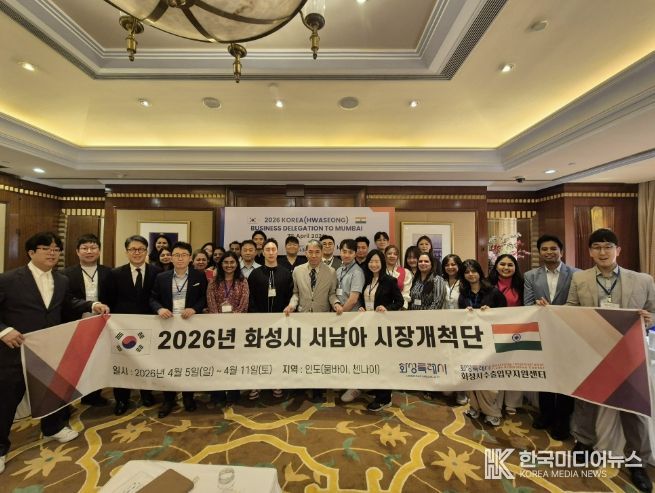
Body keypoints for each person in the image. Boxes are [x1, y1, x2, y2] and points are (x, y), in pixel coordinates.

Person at [0, 232, 109, 474]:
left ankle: (52, 428)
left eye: (56, 249)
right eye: (46, 248)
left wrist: (91, 305)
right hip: (15, 349)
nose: (52, 253)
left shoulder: (61, 280)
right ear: (31, 252)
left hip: (49, 348)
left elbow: (68, 303)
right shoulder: (8, 279)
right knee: (6, 399)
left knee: (51, 391)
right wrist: (3, 330)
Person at [567, 228, 655, 493]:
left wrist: (649, 319)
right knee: (586, 398)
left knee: (633, 406)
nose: (602, 252)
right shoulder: (580, 278)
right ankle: (584, 442)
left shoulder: (643, 280)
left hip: (629, 353)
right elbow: (571, 308)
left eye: (608, 247)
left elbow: (653, 311)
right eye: (597, 247)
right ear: (590, 252)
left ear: (618, 250)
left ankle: (637, 461)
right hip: (592, 349)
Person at [524, 234, 577, 440]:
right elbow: (527, 304)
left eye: (553, 248)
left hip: (568, 333)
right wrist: (537, 306)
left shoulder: (577, 274)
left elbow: (579, 304)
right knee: (544, 373)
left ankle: (563, 419)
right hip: (543, 331)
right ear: (539, 252)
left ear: (561, 251)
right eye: (544, 249)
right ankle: (546, 414)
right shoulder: (531, 276)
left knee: (566, 376)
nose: (549, 252)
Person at [150, 242, 208, 418]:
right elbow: (152, 298)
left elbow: (204, 298)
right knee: (169, 363)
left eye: (184, 255)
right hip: (168, 326)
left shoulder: (199, 276)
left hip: (190, 326)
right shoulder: (162, 277)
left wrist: (195, 309)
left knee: (188, 362)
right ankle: (169, 399)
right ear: (171, 258)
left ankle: (188, 397)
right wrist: (159, 308)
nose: (180, 258)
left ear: (190, 258)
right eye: (176, 255)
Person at [110, 235, 162, 415]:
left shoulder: (157, 272)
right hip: (122, 328)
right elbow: (110, 300)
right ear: (126, 252)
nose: (137, 252)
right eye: (133, 249)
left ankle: (146, 394)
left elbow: (158, 297)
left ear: (147, 251)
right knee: (122, 363)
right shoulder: (115, 274)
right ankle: (121, 399)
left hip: (150, 325)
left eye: (141, 249)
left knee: (147, 361)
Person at [284, 239, 338, 403]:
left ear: (322, 253)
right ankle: (300, 386)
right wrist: (291, 305)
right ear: (305, 253)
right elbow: (295, 293)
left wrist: (336, 304)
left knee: (319, 355)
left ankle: (318, 390)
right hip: (303, 317)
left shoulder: (331, 272)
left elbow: (332, 294)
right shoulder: (297, 271)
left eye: (317, 252)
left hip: (322, 318)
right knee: (302, 353)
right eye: (310, 252)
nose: (314, 255)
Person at [62, 233, 113, 407]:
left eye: (93, 248)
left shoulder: (109, 272)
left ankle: (93, 395)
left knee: (97, 360)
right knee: (74, 363)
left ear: (99, 250)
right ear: (77, 251)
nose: (89, 251)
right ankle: (67, 400)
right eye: (85, 248)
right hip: (76, 323)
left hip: (102, 324)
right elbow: (66, 300)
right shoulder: (65, 274)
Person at [458, 259, 506, 426]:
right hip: (471, 340)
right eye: (467, 272)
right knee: (472, 374)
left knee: (488, 378)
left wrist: (492, 313)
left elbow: (505, 314)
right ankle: (475, 406)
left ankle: (492, 412)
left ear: (480, 272)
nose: (471, 275)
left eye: (474, 271)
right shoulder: (463, 294)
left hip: (490, 341)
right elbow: (459, 317)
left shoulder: (493, 292)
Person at [248, 238, 293, 399]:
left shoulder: (286, 274)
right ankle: (257, 384)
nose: (271, 252)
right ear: (263, 252)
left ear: (277, 251)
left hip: (280, 321)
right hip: (259, 321)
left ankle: (277, 382)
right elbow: (250, 297)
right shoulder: (255, 274)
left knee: (278, 354)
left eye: (273, 249)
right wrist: (256, 315)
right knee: (258, 354)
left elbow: (290, 296)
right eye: (268, 249)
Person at [359, 249, 403, 411]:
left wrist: (387, 308)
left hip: (383, 328)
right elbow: (365, 299)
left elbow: (399, 302)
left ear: (382, 263)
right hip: (368, 326)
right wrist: (362, 308)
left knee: (383, 361)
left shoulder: (390, 281)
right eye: (371, 261)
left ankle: (384, 398)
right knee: (372, 359)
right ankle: (377, 388)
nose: (374, 264)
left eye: (377, 261)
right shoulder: (366, 280)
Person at [207, 251, 249, 407]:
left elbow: (244, 303)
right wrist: (219, 321)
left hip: (236, 329)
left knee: (234, 361)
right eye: (226, 262)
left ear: (237, 264)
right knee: (217, 362)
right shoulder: (213, 282)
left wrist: (232, 320)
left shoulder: (242, 281)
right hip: (217, 328)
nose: (229, 265)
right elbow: (211, 302)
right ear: (221, 264)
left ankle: (233, 394)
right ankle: (217, 395)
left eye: (232, 262)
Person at [489, 253, 524, 415]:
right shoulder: (488, 283)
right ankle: (495, 400)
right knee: (496, 367)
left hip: (517, 330)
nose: (506, 268)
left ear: (515, 268)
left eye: (510, 265)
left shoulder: (522, 284)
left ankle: (512, 402)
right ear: (496, 266)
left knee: (515, 366)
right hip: (493, 330)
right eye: (502, 264)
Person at [337, 239, 366, 403]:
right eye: (344, 251)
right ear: (340, 252)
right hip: (341, 316)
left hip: (352, 318)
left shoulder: (357, 272)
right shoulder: (339, 270)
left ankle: (355, 387)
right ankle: (346, 381)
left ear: (355, 254)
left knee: (354, 354)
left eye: (350, 252)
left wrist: (342, 313)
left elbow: (353, 299)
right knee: (344, 352)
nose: (346, 255)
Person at [440, 254, 467, 406]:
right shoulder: (440, 281)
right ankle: (449, 384)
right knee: (446, 356)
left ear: (459, 266)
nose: (450, 267)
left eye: (453, 264)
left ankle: (462, 390)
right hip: (443, 326)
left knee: (461, 358)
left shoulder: (464, 282)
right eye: (447, 265)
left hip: (461, 326)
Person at [384, 244, 412, 309]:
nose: (392, 256)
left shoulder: (405, 272)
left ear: (397, 257)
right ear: (385, 255)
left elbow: (405, 293)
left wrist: (403, 307)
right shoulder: (380, 271)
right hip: (382, 307)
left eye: (395, 254)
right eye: (389, 253)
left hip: (400, 307)